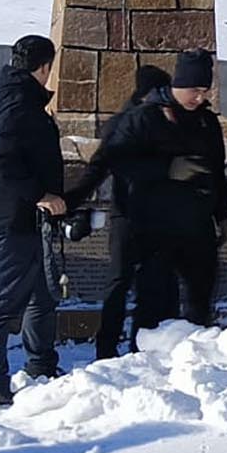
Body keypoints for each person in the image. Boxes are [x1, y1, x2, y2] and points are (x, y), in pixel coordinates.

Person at [79, 49, 227, 340]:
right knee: (150, 299)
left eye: (204, 90)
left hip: (195, 224)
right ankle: (125, 350)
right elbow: (117, 160)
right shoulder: (142, 118)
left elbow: (216, 171)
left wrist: (222, 214)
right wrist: (168, 168)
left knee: (198, 300)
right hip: (152, 223)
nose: (199, 97)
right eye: (193, 90)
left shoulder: (206, 123)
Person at [0, 35, 70, 406]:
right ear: (45, 67)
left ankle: (41, 362)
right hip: (11, 217)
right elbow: (1, 160)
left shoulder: (8, 96)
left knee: (41, 294)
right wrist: (40, 195)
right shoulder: (18, 102)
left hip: (22, 215)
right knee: (4, 300)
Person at [68, 63, 170, 359]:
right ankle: (115, 346)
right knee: (124, 283)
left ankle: (123, 345)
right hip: (130, 211)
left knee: (133, 283)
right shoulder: (132, 123)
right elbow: (100, 166)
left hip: (133, 212)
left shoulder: (137, 121)